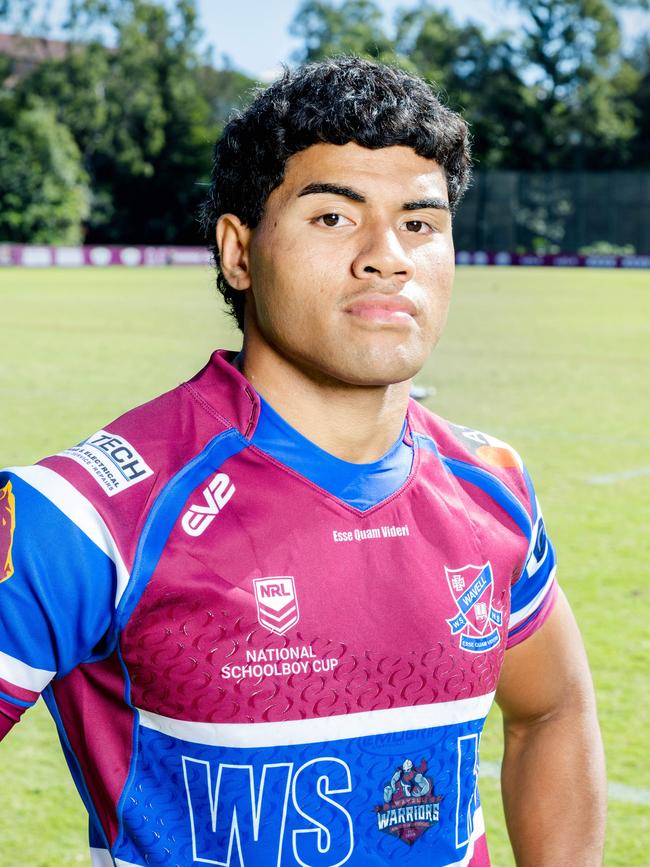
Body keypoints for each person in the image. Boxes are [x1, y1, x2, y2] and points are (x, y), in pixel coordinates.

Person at [0, 57, 606, 867]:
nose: (388, 256)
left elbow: (552, 708)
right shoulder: (87, 515)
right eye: (333, 217)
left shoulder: (490, 488)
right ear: (238, 252)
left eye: (420, 223)